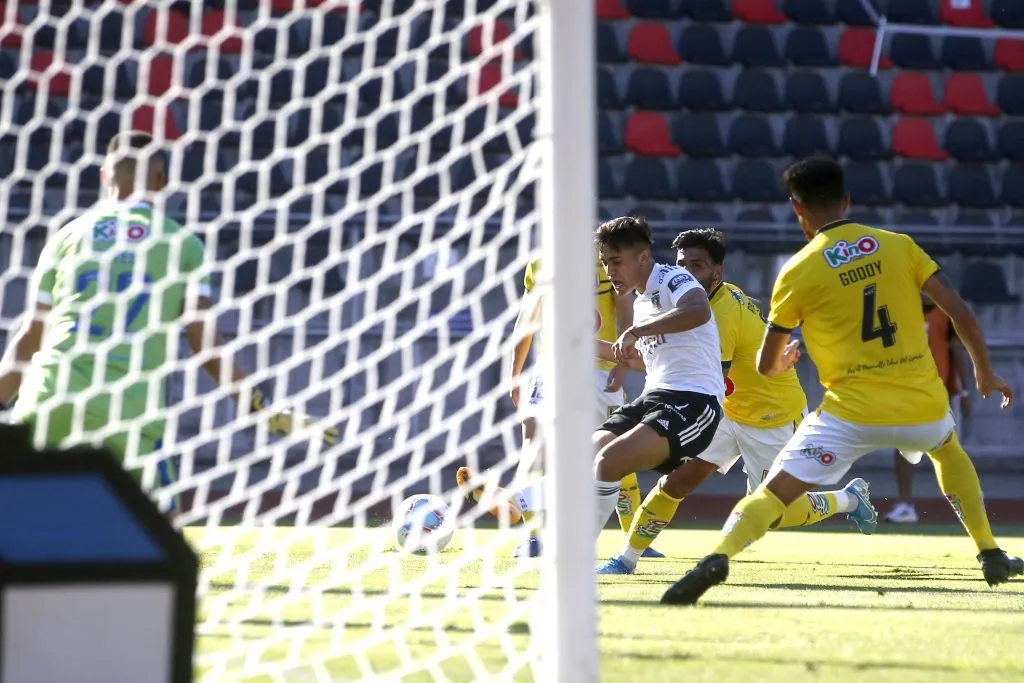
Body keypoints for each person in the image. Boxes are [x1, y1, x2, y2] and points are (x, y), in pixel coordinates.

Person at [662, 157, 1020, 606]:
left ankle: (716, 558)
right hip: (921, 405)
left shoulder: (798, 270)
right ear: (847, 200)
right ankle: (988, 550)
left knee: (773, 495)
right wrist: (984, 372)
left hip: (848, 414)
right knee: (947, 449)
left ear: (797, 209)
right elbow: (960, 313)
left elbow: (768, 365)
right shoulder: (899, 246)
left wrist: (783, 360)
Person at [0, 132, 336, 513]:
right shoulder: (182, 245)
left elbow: (30, 339)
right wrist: (260, 407)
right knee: (160, 538)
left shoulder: (65, 238)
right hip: (123, 415)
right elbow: (204, 345)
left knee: (27, 529)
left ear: (104, 177)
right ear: (161, 182)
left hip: (47, 401)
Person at [594, 228, 876, 575]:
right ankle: (626, 560)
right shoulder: (678, 299)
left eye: (698, 266)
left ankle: (848, 499)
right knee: (677, 481)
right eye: (683, 265)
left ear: (718, 272)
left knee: (773, 515)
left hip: (768, 413)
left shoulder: (716, 312)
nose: (688, 273)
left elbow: (707, 372)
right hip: (722, 409)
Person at [457, 251, 665, 558]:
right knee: (616, 451)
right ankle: (633, 542)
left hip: (558, 368)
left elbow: (526, 323)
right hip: (595, 369)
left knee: (537, 446)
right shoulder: (608, 260)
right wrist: (623, 364)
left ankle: (531, 532)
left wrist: (514, 374)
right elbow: (626, 318)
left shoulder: (546, 259)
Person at [886, 295, 973, 524]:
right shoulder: (901, 309)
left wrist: (964, 391)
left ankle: (965, 501)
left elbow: (957, 351)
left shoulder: (946, 311)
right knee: (902, 446)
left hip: (937, 390)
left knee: (947, 448)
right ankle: (906, 504)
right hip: (907, 388)